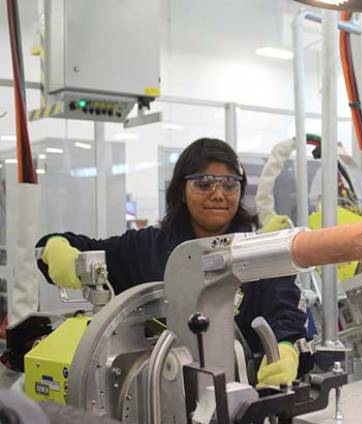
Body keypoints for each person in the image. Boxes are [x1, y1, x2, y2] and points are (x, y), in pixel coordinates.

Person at [36, 138, 307, 387]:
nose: (218, 194)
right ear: (181, 190)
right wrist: (54, 249)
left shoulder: (254, 250)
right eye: (204, 183)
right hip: (156, 390)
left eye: (229, 184)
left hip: (243, 389)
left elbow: (285, 312)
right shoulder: (147, 248)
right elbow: (69, 245)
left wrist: (286, 349)